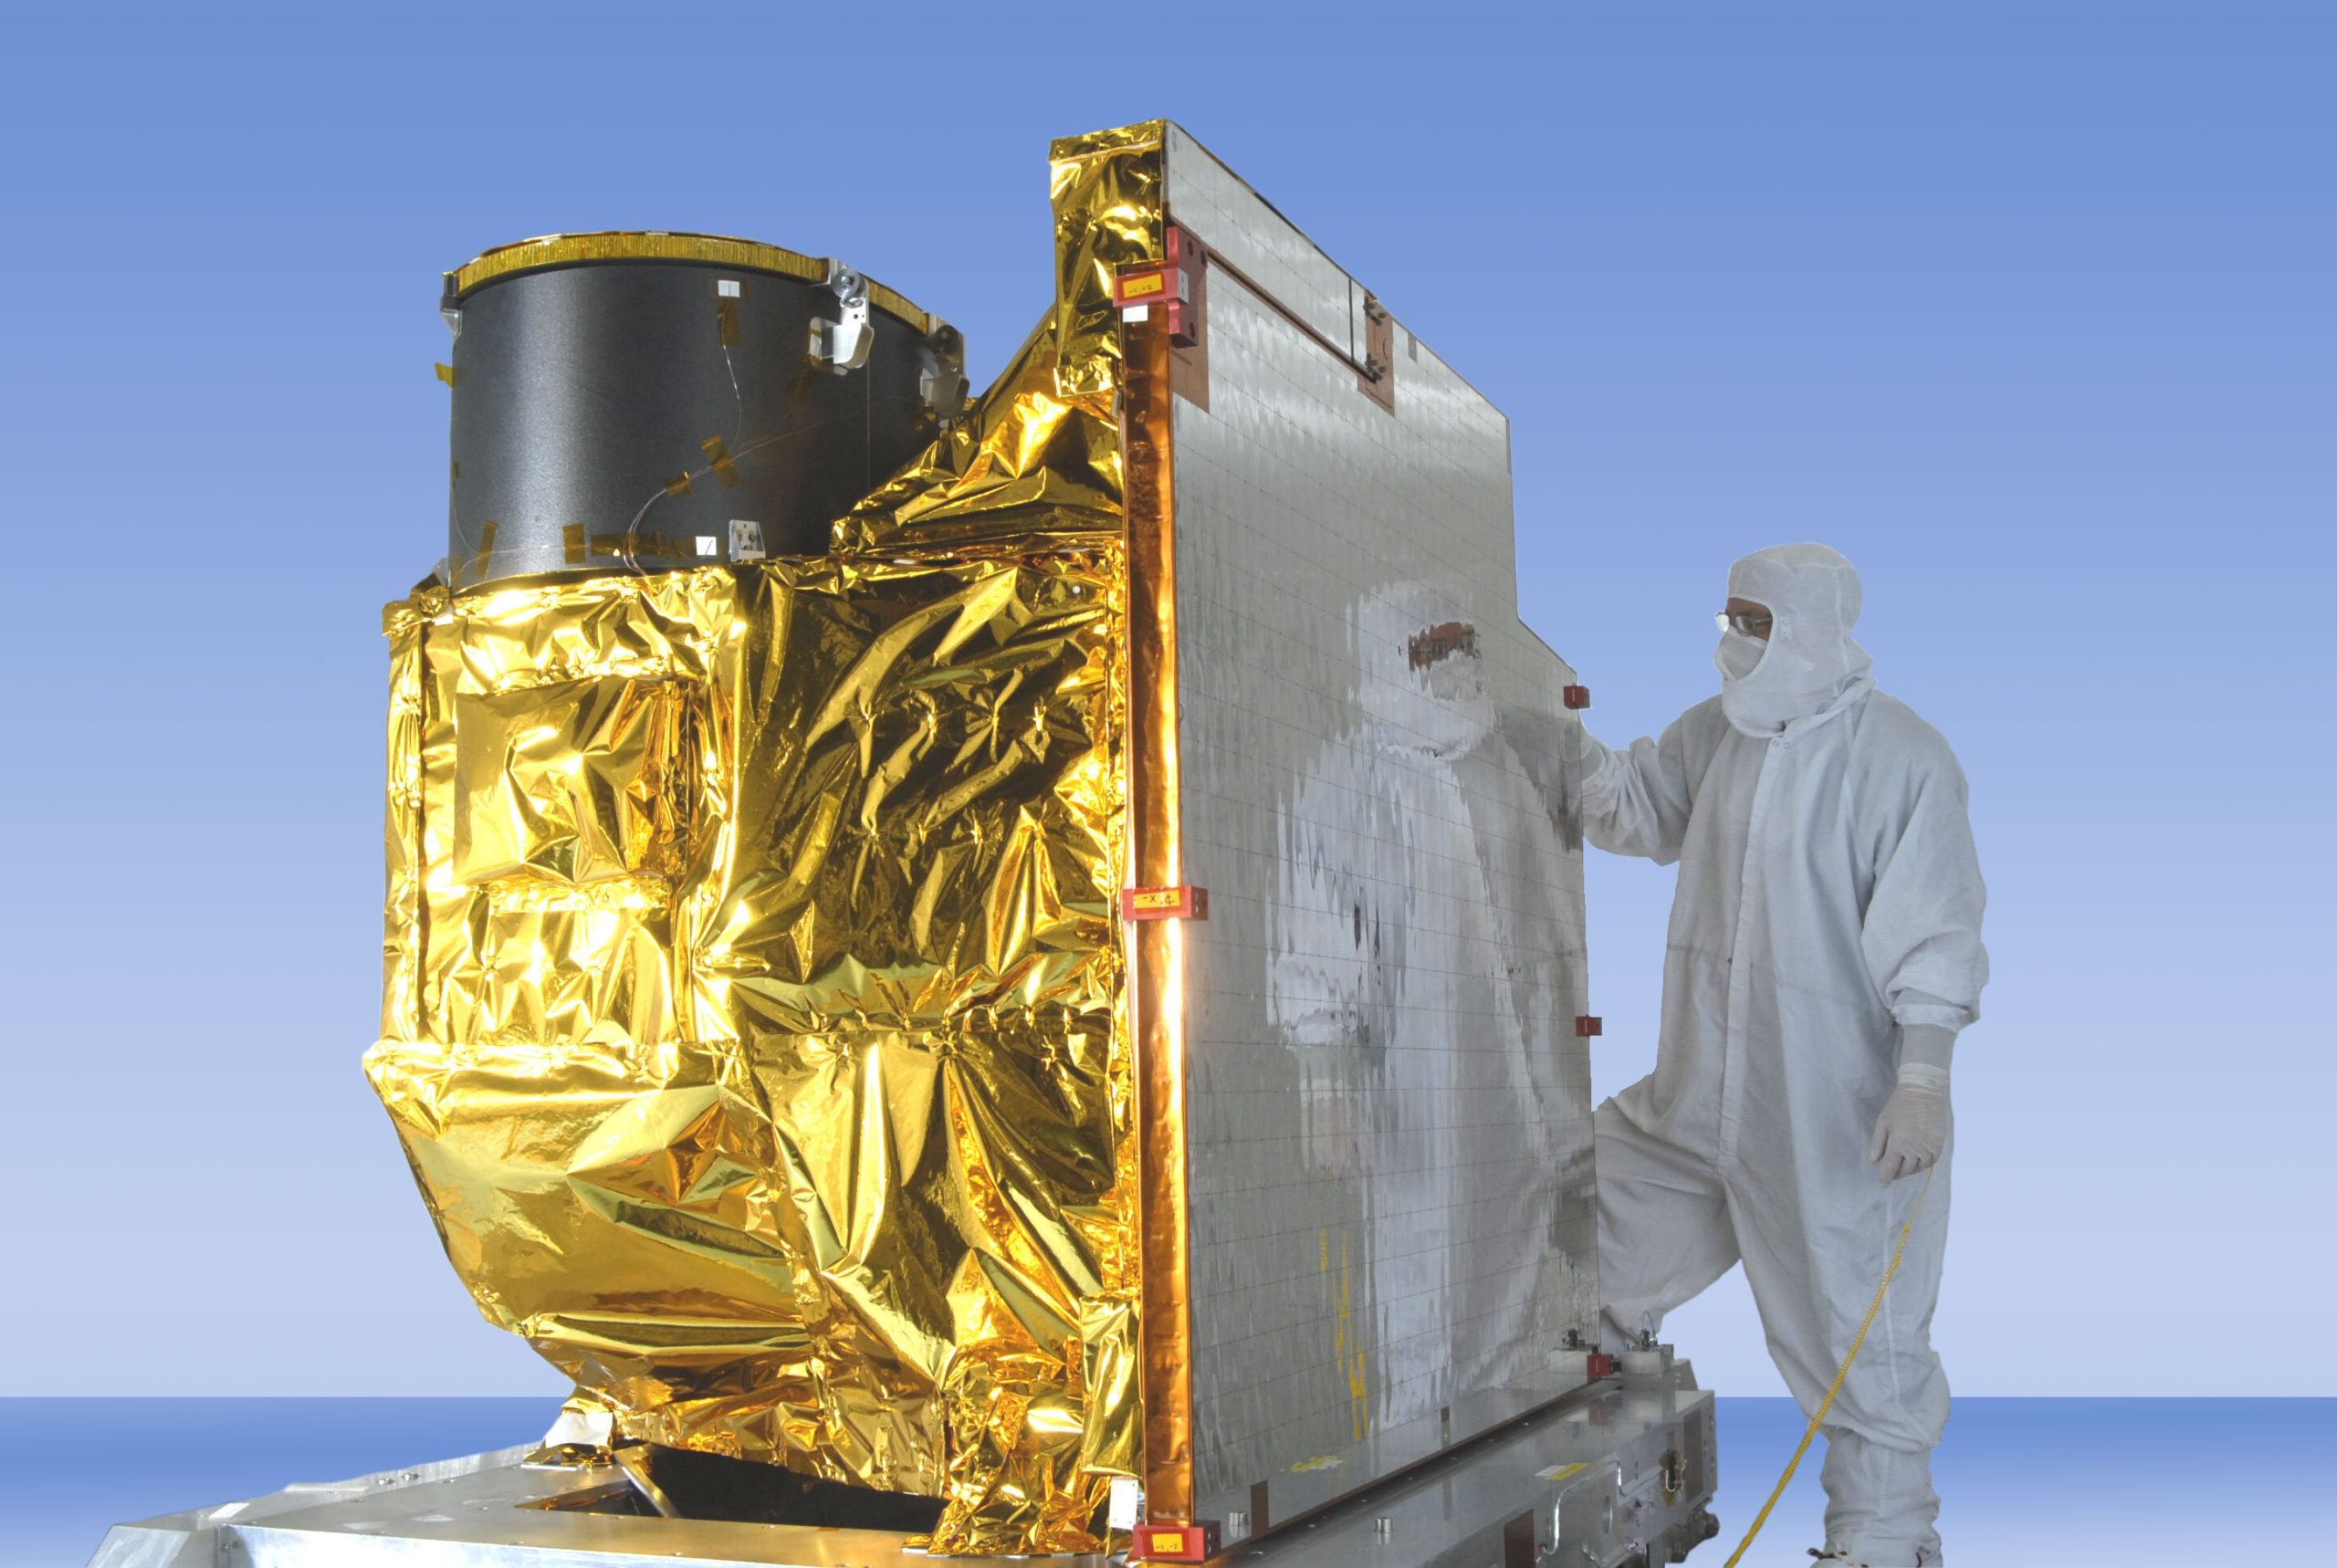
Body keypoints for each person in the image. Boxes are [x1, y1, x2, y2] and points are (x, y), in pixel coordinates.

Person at [1558, 544, 1987, 1567]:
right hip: (1696, 1095)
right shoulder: (1716, 733)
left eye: (1756, 622)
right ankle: (1585, 1440)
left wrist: (1923, 1077)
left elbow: (1935, 932)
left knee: (1861, 1342)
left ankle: (1880, 1544)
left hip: (1834, 1113)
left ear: (1812, 626)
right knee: (1580, 1221)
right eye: (1729, 620)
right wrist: (1554, 738)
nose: (1735, 641)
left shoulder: (1900, 756)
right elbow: (1635, 806)